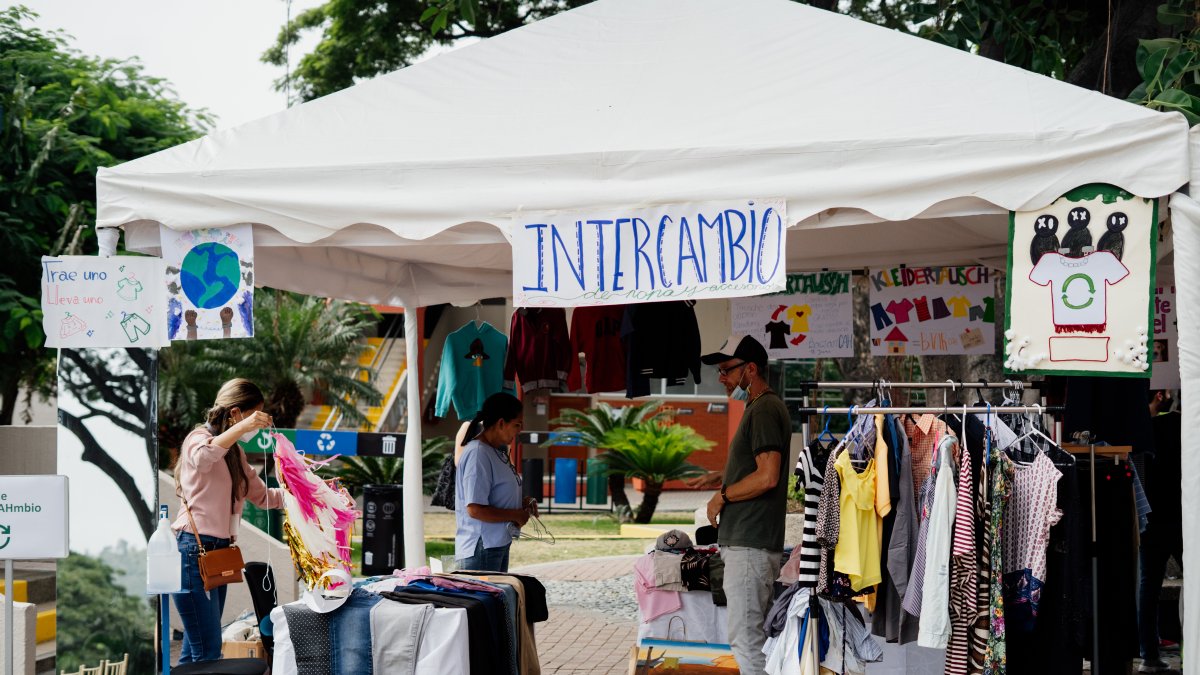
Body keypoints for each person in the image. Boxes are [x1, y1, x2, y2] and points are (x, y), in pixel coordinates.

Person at [686, 334, 790, 675]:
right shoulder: (758, 407)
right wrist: (721, 475)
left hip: (750, 545)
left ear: (750, 369)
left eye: (726, 370)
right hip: (748, 544)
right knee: (748, 640)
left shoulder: (764, 408)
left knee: (746, 643)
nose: (722, 379)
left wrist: (723, 496)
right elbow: (755, 468)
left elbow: (768, 476)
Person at [171, 378, 284, 663]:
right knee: (206, 650)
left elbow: (263, 496)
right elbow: (203, 458)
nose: (255, 427)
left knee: (196, 649)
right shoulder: (198, 439)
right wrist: (242, 428)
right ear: (235, 413)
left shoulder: (236, 454)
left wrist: (314, 492)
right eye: (253, 417)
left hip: (219, 551)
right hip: (192, 550)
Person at [455, 392, 538, 572]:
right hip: (482, 547)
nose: (519, 430)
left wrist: (522, 504)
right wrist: (515, 515)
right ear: (501, 423)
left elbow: (497, 495)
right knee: (487, 599)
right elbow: (475, 509)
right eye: (517, 424)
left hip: (496, 544)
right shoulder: (478, 454)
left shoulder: (496, 452)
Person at [1138, 389, 1183, 673]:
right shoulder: (1181, 425)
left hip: (1151, 517)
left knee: (1148, 587)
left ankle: (1148, 655)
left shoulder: (1143, 432)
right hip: (1180, 515)